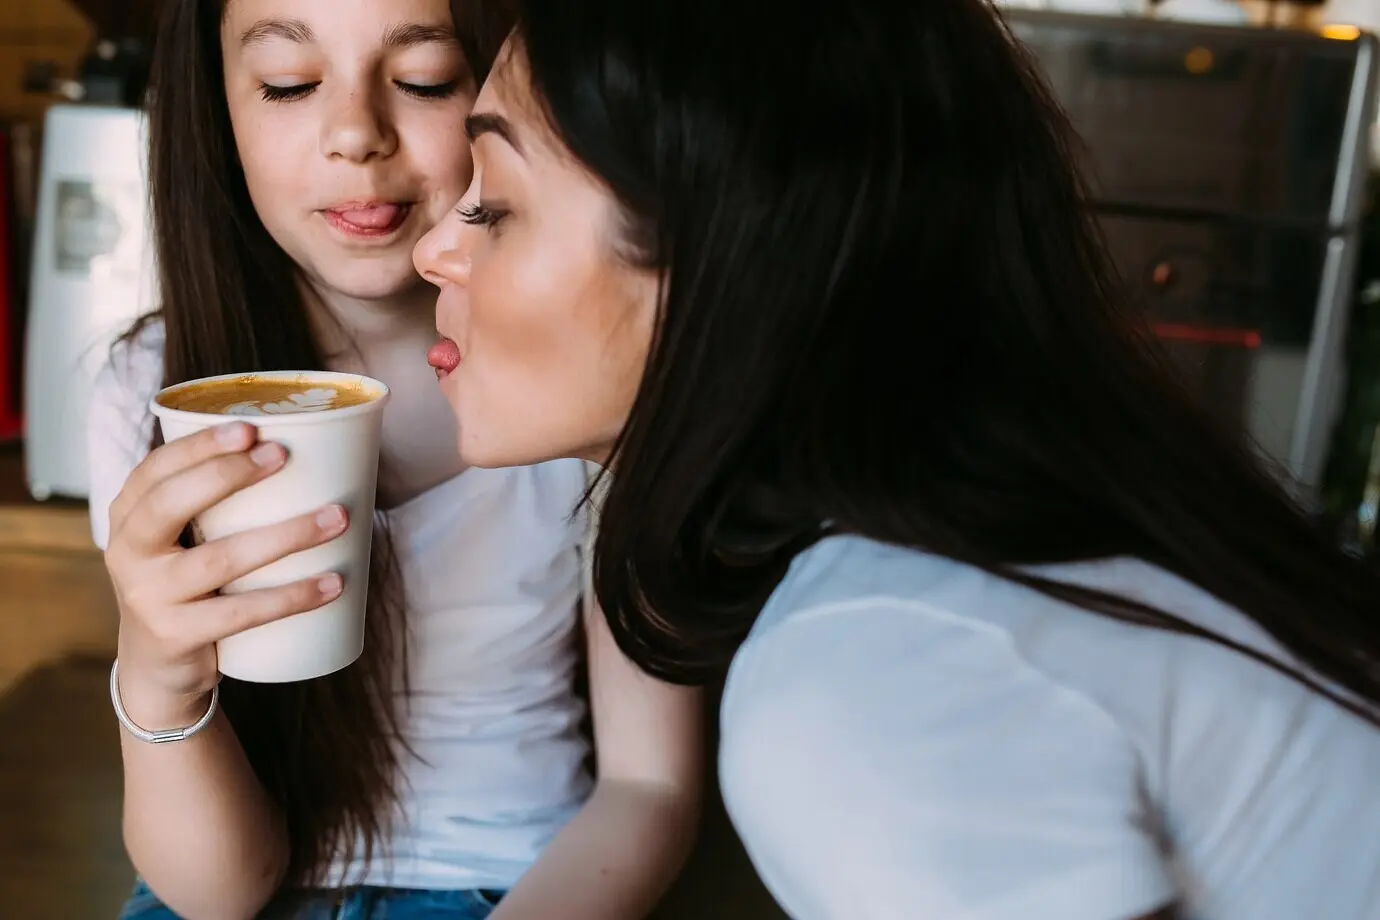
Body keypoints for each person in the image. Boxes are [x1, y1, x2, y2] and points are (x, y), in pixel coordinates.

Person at [410, 1, 1380, 918]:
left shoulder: (876, 671)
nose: (435, 253)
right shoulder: (986, 554)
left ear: (725, 247)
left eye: (496, 205)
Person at [89, 1, 702, 918]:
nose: (356, 135)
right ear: (216, 109)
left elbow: (648, 788)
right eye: (289, 84)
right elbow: (218, 894)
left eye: (425, 80)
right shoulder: (152, 389)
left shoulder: (589, 381)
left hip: (514, 884)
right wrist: (158, 684)